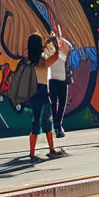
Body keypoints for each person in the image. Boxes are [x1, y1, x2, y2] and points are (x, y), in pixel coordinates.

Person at [24, 33, 63, 161]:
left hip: (32, 94)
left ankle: (32, 153)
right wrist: (56, 44)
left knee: (34, 124)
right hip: (43, 93)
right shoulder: (42, 61)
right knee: (47, 122)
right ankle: (51, 149)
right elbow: (56, 57)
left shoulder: (28, 62)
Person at [47, 22, 74, 138]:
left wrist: (61, 41)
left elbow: (70, 48)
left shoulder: (64, 45)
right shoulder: (49, 46)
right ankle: (56, 125)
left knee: (62, 103)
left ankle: (58, 124)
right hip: (52, 78)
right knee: (53, 102)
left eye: (57, 31)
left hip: (63, 78)